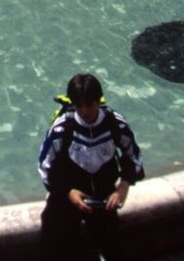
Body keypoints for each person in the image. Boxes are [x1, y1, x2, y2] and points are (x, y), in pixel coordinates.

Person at [38, 72, 144, 261]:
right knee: (57, 247)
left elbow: (133, 155)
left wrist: (124, 185)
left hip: (103, 197)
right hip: (68, 196)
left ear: (99, 101)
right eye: (79, 106)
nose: (85, 111)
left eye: (90, 105)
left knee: (112, 248)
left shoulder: (115, 124)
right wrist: (67, 192)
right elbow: (45, 166)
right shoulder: (62, 129)